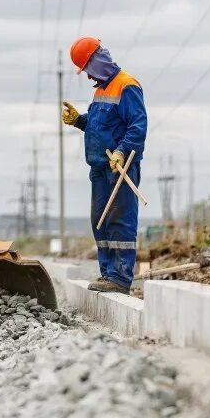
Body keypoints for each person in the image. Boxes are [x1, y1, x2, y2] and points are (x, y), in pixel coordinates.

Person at [61, 36, 147, 295]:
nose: (87, 77)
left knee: (120, 220)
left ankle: (121, 278)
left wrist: (121, 151)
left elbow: (137, 125)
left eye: (87, 70)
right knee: (101, 221)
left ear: (96, 61)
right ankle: (108, 273)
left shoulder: (126, 86)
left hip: (120, 168)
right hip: (99, 168)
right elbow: (100, 126)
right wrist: (79, 120)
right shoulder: (101, 90)